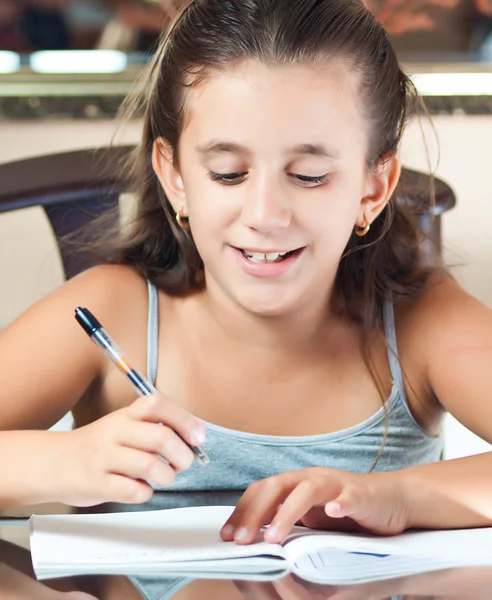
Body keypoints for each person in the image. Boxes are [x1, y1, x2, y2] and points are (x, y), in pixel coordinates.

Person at [1, 0, 492, 594]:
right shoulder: (116, 313)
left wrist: (400, 496)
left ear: (373, 186)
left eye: (309, 175)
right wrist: (62, 463)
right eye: (229, 173)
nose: (265, 215)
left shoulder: (420, 321)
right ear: (176, 176)